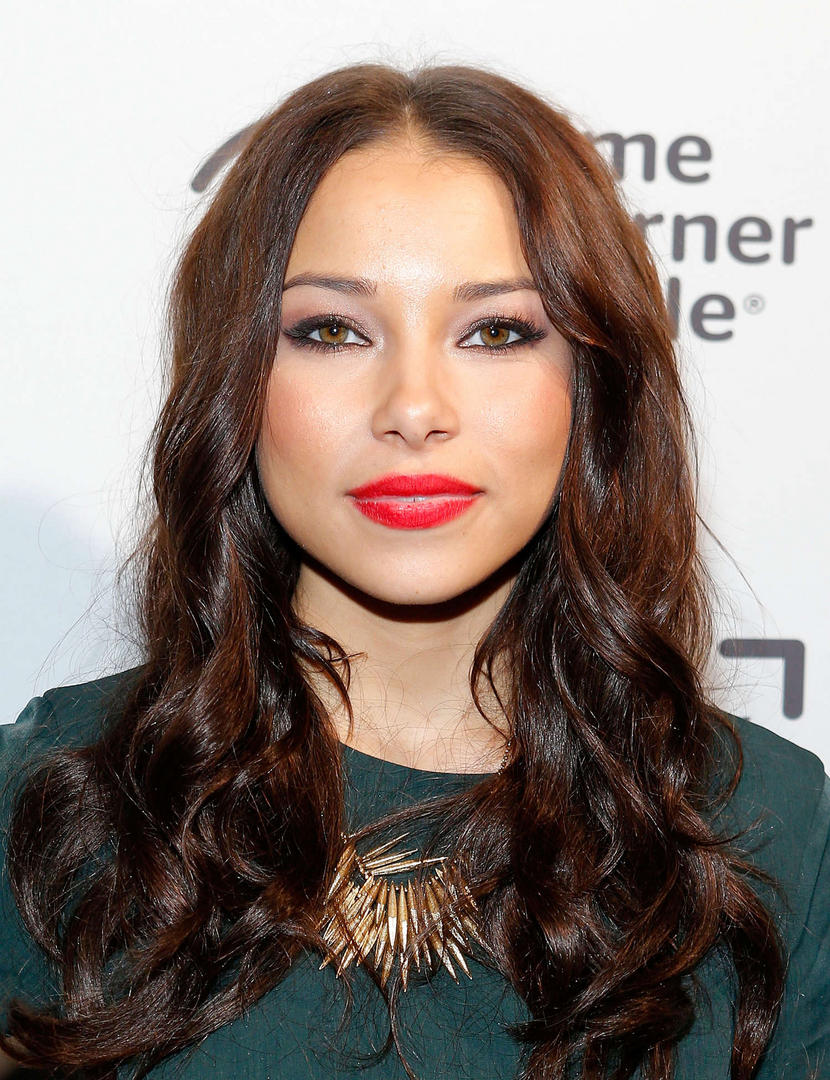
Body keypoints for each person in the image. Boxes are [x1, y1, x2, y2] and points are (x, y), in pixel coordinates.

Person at [0, 59, 827, 1080]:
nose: (414, 407)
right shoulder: (48, 805)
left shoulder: (770, 833)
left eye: (495, 331)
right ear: (236, 383)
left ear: (594, 390)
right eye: (332, 330)